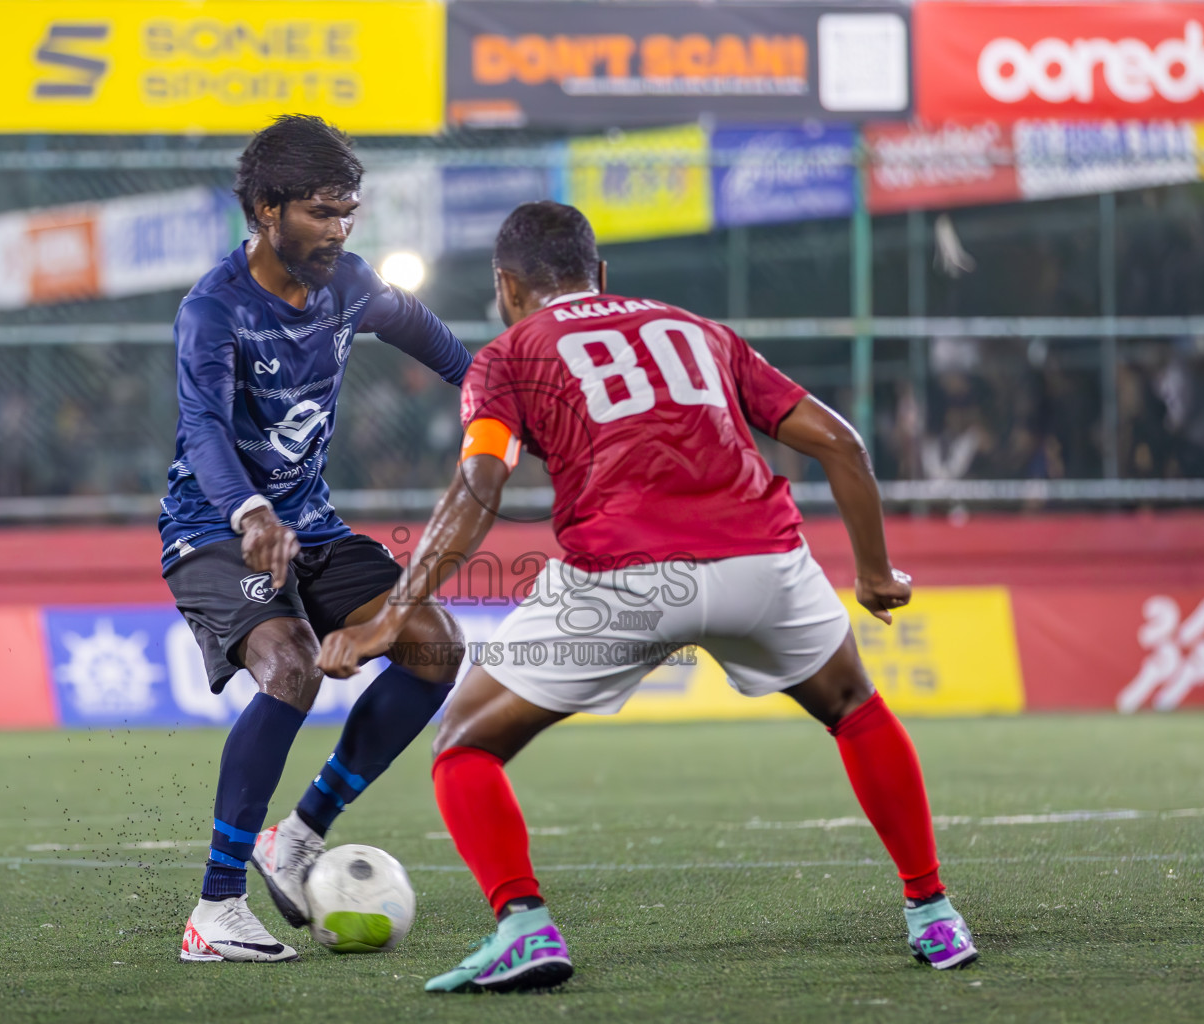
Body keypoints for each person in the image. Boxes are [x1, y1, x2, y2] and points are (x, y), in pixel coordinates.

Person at [317, 201, 978, 992]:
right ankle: (934, 913)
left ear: (506, 287)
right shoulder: (700, 331)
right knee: (855, 710)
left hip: (625, 580)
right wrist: (874, 573)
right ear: (600, 275)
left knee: (464, 743)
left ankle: (525, 926)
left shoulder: (508, 356)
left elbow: (481, 482)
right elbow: (841, 442)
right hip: (762, 565)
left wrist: (395, 612)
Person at [162, 114, 470, 963]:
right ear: (266, 209)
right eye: (322, 214)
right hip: (212, 529)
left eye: (348, 213)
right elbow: (204, 432)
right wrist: (250, 514)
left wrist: (515, 397)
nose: (339, 231)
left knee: (436, 646)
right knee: (292, 663)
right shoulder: (213, 309)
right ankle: (215, 910)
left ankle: (297, 835)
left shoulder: (355, 285)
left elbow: (448, 352)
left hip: (312, 524)